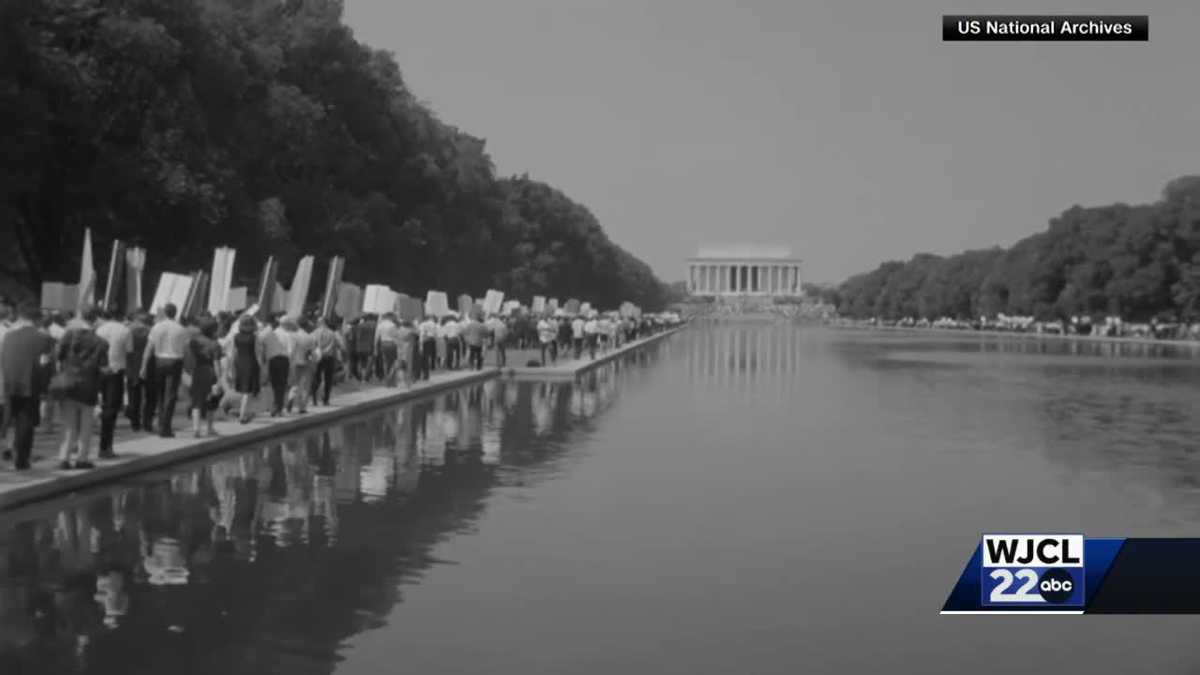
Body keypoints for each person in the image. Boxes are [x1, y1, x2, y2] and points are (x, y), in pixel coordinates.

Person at [54, 308, 108, 470]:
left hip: (68, 383)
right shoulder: (100, 342)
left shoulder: (68, 336)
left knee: (68, 424)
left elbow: (57, 356)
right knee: (86, 425)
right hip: (89, 386)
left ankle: (64, 458)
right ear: (95, 320)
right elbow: (104, 367)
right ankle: (82, 458)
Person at [0, 305, 51, 470]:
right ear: (36, 319)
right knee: (25, 422)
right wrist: (45, 388)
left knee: (8, 421)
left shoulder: (9, 336)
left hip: (8, 384)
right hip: (30, 384)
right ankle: (22, 459)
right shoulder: (43, 338)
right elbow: (45, 365)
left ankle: (8, 451)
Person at [140, 303, 189, 438]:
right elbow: (185, 349)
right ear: (175, 313)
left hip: (159, 361)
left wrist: (143, 366)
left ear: (165, 313)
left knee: (160, 394)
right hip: (175, 361)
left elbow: (149, 348)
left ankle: (162, 422)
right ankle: (165, 426)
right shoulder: (181, 329)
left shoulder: (157, 327)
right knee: (171, 395)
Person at [94, 308, 133, 458]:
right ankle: (106, 446)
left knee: (97, 404)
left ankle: (98, 415)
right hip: (116, 371)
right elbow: (129, 351)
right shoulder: (124, 330)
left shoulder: (99, 329)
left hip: (99, 370)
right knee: (111, 409)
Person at [185, 317, 222, 438]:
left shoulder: (193, 342)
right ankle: (209, 428)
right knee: (211, 401)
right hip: (210, 372)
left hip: (197, 371)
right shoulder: (215, 344)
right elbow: (216, 362)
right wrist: (219, 379)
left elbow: (189, 358)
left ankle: (196, 428)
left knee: (197, 400)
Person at [230, 314, 262, 423]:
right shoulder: (254, 337)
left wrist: (232, 366)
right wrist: (262, 366)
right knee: (248, 391)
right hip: (251, 363)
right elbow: (258, 353)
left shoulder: (236, 336)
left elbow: (233, 352)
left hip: (239, 363)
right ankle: (243, 414)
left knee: (243, 390)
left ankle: (244, 412)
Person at [125, 312, 153, 432]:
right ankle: (147, 422)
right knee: (150, 396)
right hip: (149, 364)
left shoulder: (129, 330)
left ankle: (134, 423)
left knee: (133, 395)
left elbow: (127, 349)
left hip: (132, 364)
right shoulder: (151, 331)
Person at [283, 317, 316, 414]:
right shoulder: (310, 337)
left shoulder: (293, 336)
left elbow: (290, 350)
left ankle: (291, 398)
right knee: (305, 386)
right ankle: (302, 407)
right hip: (306, 362)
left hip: (294, 362)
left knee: (295, 383)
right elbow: (312, 352)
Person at [260, 314, 290, 417]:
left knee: (274, 385)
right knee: (280, 385)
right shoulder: (285, 332)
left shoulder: (265, 332)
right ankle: (278, 408)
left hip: (274, 360)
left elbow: (260, 345)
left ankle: (275, 408)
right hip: (284, 359)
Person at [310, 316, 342, 407]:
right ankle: (326, 400)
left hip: (318, 357)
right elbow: (338, 345)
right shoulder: (333, 333)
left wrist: (318, 351)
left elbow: (312, 344)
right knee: (328, 379)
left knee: (316, 378)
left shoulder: (314, 333)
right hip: (329, 358)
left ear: (320, 323)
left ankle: (314, 399)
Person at [374, 313, 402, 387]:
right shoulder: (392, 325)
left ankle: (388, 381)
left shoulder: (380, 325)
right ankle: (392, 381)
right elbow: (396, 336)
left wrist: (375, 348)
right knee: (393, 363)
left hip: (383, 345)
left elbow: (376, 337)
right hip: (392, 344)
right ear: (390, 317)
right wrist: (399, 346)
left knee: (386, 363)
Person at [417, 315, 439, 380]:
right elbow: (436, 333)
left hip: (424, 341)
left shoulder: (422, 324)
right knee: (430, 356)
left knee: (422, 358)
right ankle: (429, 371)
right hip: (431, 340)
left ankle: (420, 375)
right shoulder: (434, 324)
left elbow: (421, 334)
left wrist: (420, 344)